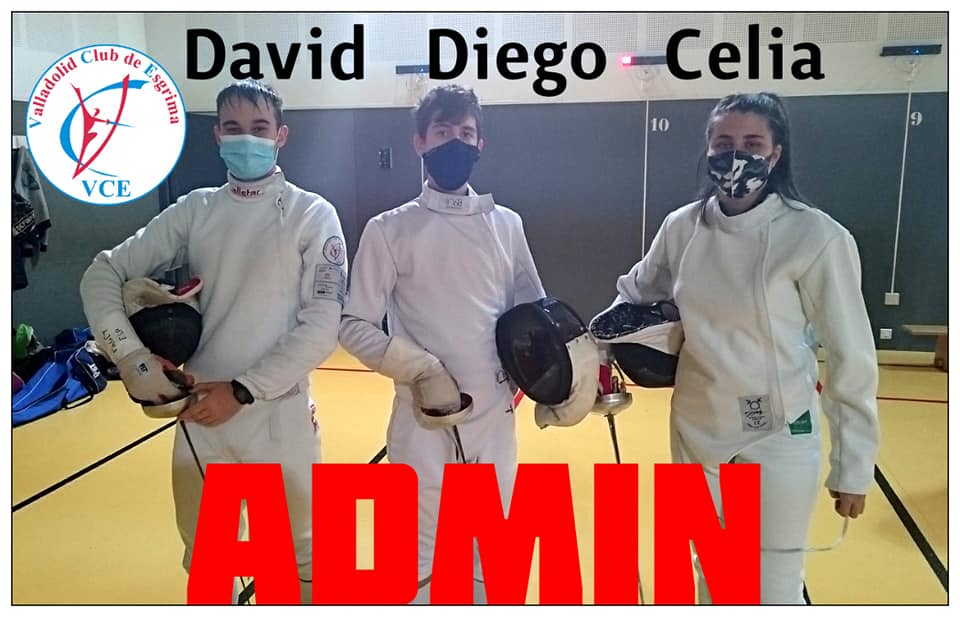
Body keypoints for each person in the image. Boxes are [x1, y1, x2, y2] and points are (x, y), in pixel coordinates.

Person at [597, 92, 880, 604]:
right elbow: (632, 296)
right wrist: (595, 352)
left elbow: (851, 355)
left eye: (752, 143)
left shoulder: (815, 236)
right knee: (713, 579)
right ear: (708, 148)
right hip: (697, 429)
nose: (737, 155)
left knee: (772, 590)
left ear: (776, 153)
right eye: (724, 143)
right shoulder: (681, 227)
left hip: (779, 431)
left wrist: (853, 465)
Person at [79, 79, 347, 604]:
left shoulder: (312, 215)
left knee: (298, 562)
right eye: (233, 127)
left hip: (279, 417)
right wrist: (132, 359)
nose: (247, 138)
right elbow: (102, 273)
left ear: (281, 136)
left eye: (260, 128)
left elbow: (322, 324)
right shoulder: (196, 209)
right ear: (217, 135)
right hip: (201, 418)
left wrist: (243, 390)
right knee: (209, 561)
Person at [338, 84, 545, 604]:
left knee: (492, 557)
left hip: (494, 420)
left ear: (480, 144)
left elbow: (533, 319)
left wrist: (558, 376)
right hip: (422, 421)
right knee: (418, 558)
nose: (456, 141)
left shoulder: (507, 225)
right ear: (420, 143)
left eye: (466, 133)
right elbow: (354, 324)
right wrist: (421, 369)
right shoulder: (389, 230)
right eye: (443, 131)